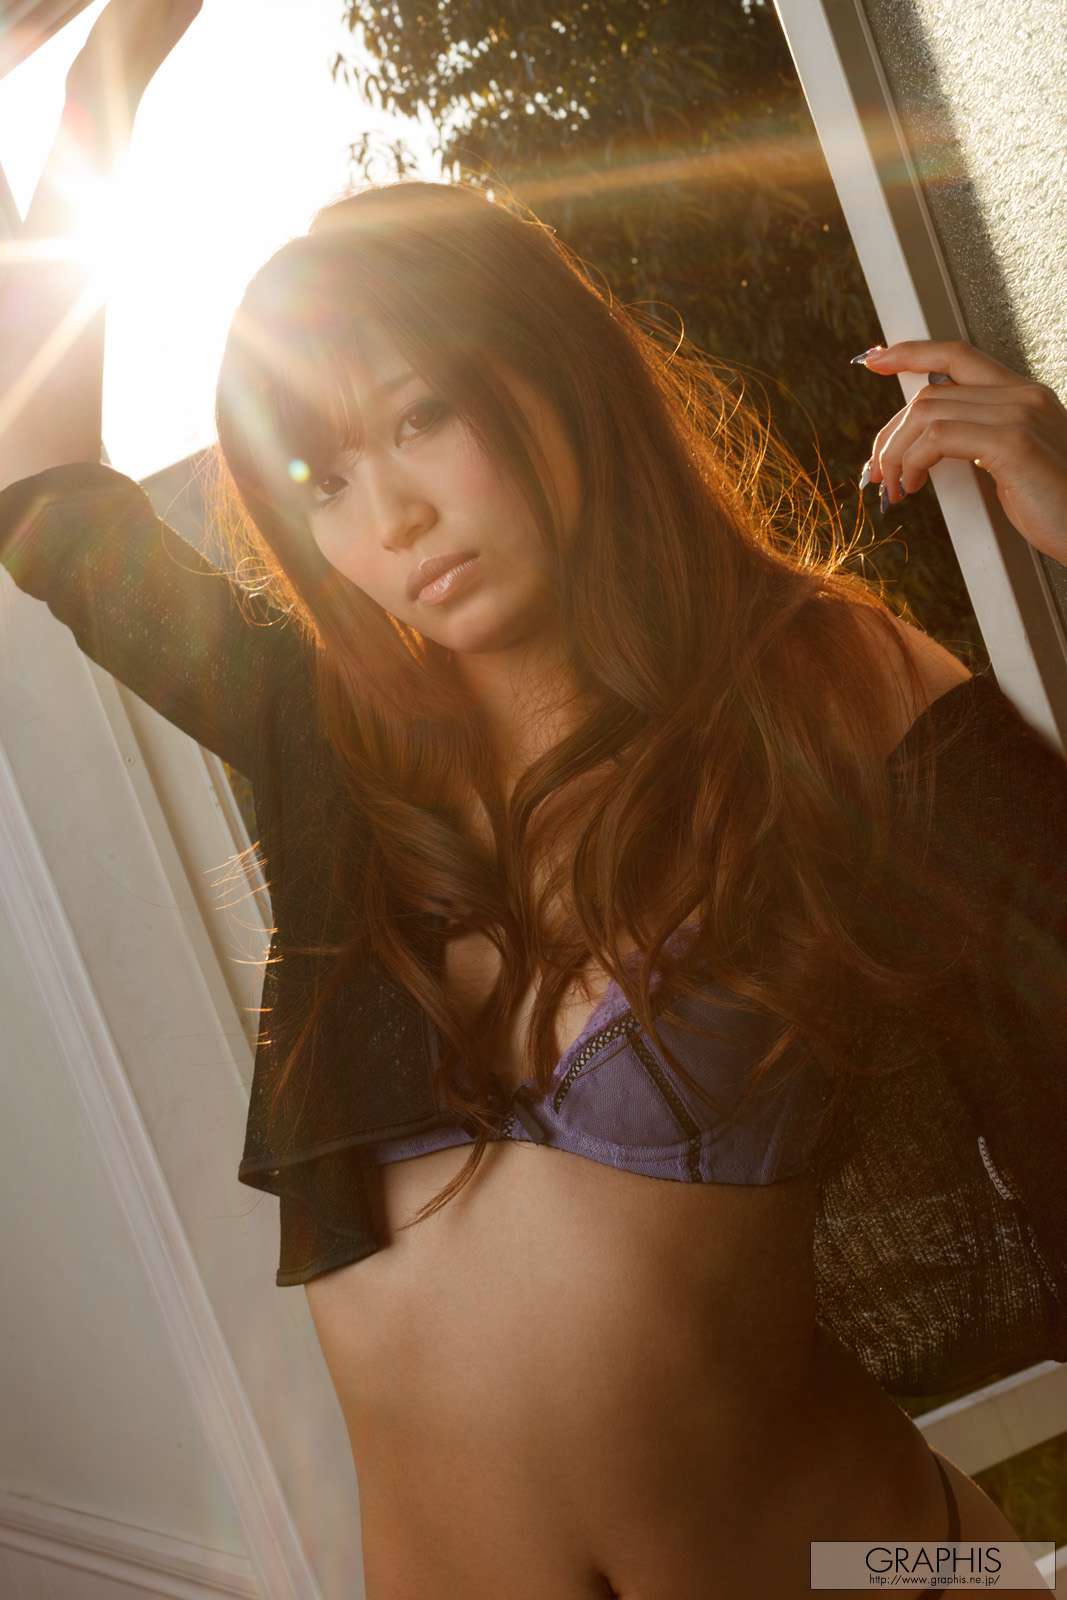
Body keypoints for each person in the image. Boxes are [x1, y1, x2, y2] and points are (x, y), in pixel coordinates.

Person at [2, 5, 1065, 1596]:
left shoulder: (811, 689)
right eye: (323, 480)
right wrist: (107, 77)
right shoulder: (329, 745)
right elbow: (39, 492)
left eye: (420, 417)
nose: (391, 514)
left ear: (551, 376)